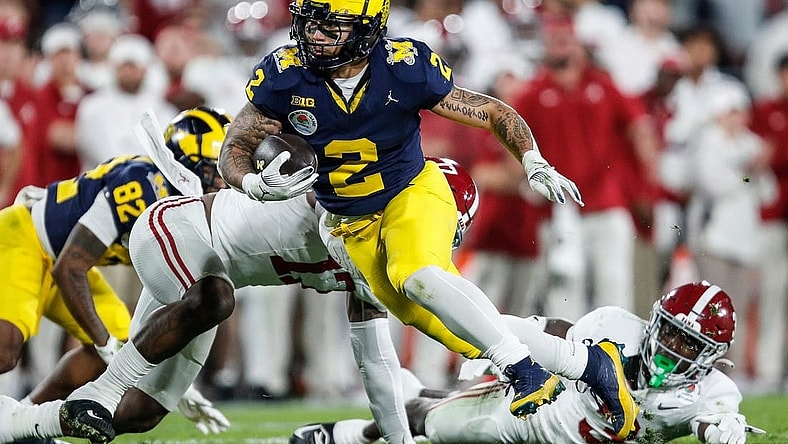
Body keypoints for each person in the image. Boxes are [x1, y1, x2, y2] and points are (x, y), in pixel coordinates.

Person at [212, 0, 639, 439]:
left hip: (411, 193)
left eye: (330, 25)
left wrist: (531, 159)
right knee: (454, 327)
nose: (314, 35)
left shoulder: (403, 65)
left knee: (415, 275)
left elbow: (493, 112)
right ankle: (588, 363)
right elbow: (235, 146)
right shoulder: (284, 74)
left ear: (365, 30)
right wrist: (252, 184)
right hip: (348, 221)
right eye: (309, 23)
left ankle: (521, 368)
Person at [0, 157, 477, 444]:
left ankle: (25, 421)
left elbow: (376, 361)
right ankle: (101, 393)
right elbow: (317, 193)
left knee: (142, 413)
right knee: (216, 300)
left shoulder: (376, 260)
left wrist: (397, 439)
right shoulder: (351, 204)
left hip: (208, 276)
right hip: (175, 230)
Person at [291, 281, 762, 444]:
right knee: (431, 422)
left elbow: (714, 419)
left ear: (710, 356)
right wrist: (500, 344)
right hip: (536, 419)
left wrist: (722, 430)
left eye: (688, 343)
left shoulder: (713, 392)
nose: (672, 347)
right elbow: (562, 335)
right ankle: (356, 432)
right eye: (671, 332)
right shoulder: (617, 327)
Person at [0, 106, 229, 411]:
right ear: (186, 162)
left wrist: (176, 387)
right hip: (27, 237)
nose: (222, 182)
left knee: (120, 351)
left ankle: (24, 418)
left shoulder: (178, 201)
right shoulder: (141, 187)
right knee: (6, 351)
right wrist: (101, 340)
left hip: (61, 257)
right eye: (214, 170)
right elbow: (69, 267)